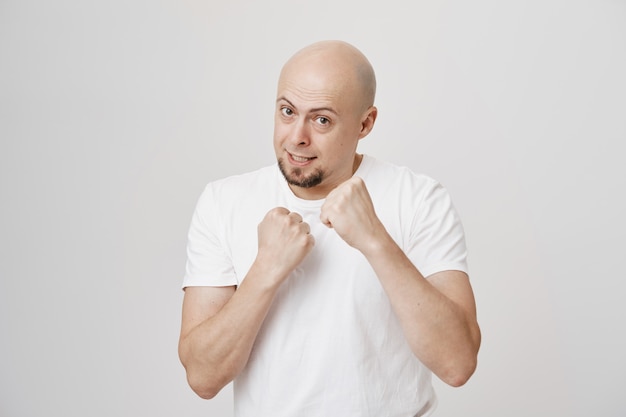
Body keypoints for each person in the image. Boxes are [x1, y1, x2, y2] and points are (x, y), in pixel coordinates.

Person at [178, 40, 481, 417]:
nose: (297, 137)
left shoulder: (419, 199)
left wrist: (375, 240)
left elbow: (457, 364)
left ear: (365, 123)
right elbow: (203, 377)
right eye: (287, 112)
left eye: (322, 119)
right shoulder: (223, 201)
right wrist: (265, 271)